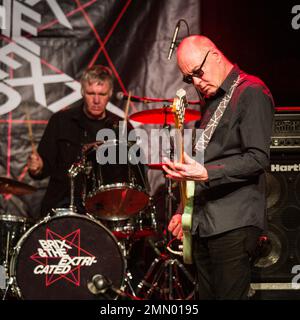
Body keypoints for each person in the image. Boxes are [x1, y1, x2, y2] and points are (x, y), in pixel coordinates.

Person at [163, 35, 274, 299]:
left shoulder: (252, 92)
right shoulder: (212, 102)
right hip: (204, 221)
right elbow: (204, 161)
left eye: (198, 73)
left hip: (234, 222)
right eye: (190, 79)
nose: (197, 83)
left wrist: (205, 173)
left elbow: (259, 158)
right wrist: (183, 211)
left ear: (214, 55)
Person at [27, 65, 128, 216]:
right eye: (90, 93)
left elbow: (129, 175)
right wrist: (37, 167)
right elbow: (43, 167)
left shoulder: (121, 127)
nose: (96, 100)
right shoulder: (61, 121)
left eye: (102, 94)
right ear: (82, 92)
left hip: (104, 210)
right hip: (61, 206)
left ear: (110, 94)